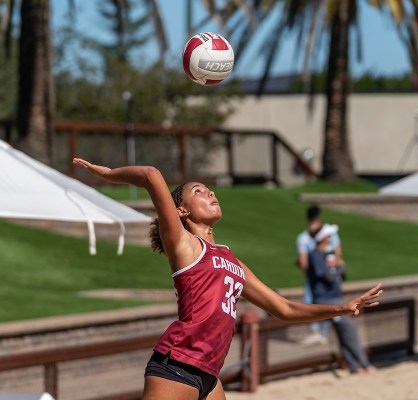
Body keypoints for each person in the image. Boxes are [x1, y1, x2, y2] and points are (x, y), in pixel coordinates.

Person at [72, 158, 383, 400]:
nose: (209, 192)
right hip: (177, 365)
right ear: (181, 210)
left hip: (208, 372)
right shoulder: (183, 244)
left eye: (209, 189)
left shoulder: (232, 261)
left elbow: (283, 308)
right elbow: (152, 175)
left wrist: (341, 309)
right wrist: (108, 175)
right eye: (198, 191)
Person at [307, 223, 375, 375]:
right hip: (327, 301)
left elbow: (338, 276)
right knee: (349, 330)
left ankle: (355, 367)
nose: (331, 239)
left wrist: (336, 266)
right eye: (329, 236)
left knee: (343, 332)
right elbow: (328, 277)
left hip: (334, 299)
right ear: (323, 237)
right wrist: (338, 267)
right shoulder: (316, 255)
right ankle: (364, 365)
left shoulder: (324, 254)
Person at [296, 205, 342, 344]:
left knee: (316, 301)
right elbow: (338, 255)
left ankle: (319, 332)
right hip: (320, 276)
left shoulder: (305, 237)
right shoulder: (305, 238)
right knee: (317, 301)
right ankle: (318, 332)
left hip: (321, 276)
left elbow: (303, 261)